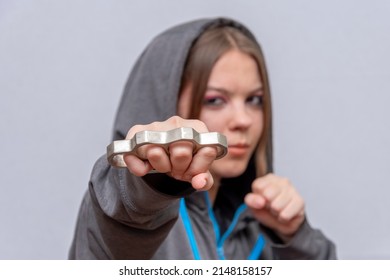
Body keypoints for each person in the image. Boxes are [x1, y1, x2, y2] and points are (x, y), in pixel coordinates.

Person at [69, 17, 336, 259]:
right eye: (215, 100)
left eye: (254, 100)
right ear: (167, 103)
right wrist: (146, 184)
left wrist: (296, 238)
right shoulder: (131, 213)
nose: (243, 120)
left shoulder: (261, 224)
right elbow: (120, 214)